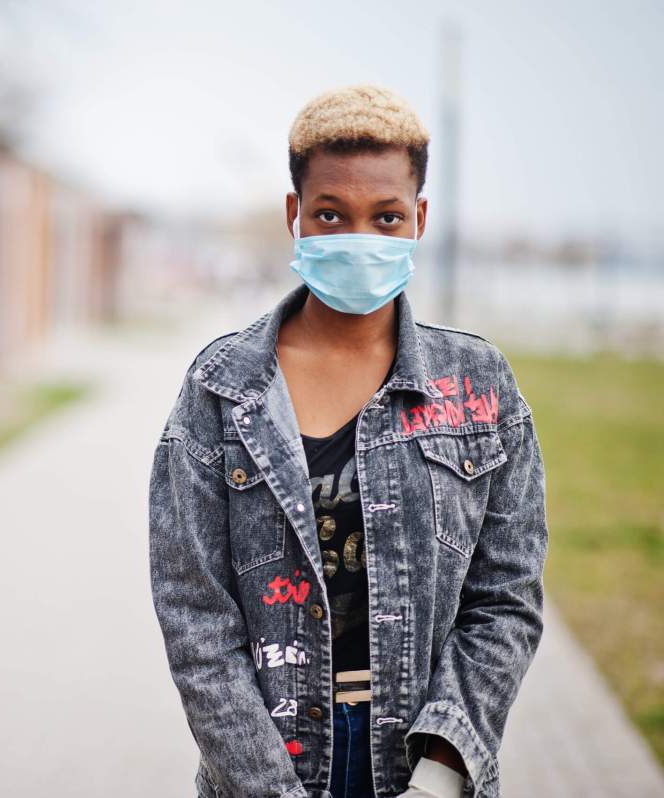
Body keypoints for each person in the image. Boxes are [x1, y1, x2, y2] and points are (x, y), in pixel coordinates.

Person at [147, 84, 549, 798]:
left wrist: (442, 773)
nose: (357, 236)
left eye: (386, 217)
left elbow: (506, 598)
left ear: (419, 218)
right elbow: (196, 619)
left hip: (424, 761)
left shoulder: (479, 386)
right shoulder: (221, 388)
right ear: (294, 214)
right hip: (267, 764)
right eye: (330, 214)